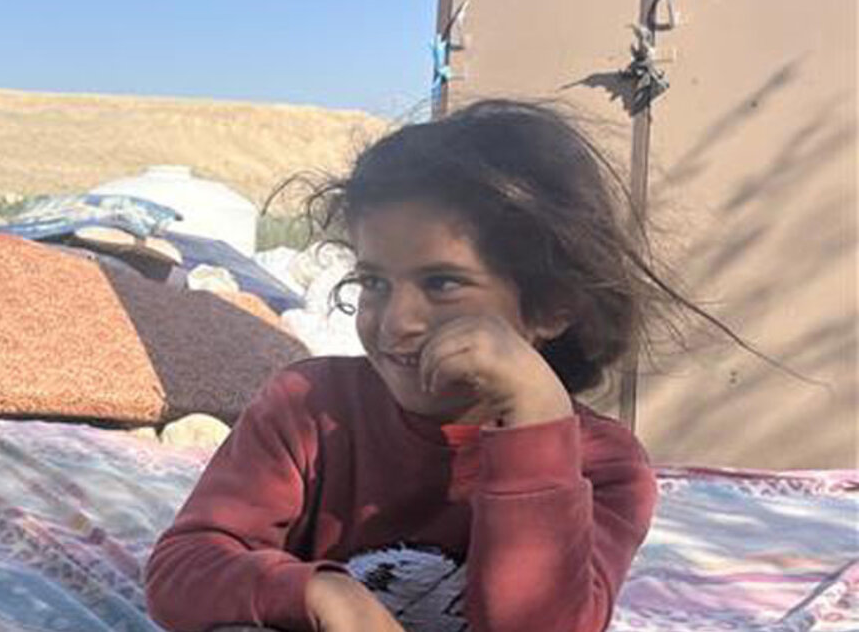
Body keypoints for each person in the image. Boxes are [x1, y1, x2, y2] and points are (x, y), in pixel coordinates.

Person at [144, 100, 747, 632]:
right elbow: (182, 568)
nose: (396, 320)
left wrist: (537, 426)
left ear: (553, 306)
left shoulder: (607, 469)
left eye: (442, 283)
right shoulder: (307, 406)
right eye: (374, 281)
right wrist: (317, 591)